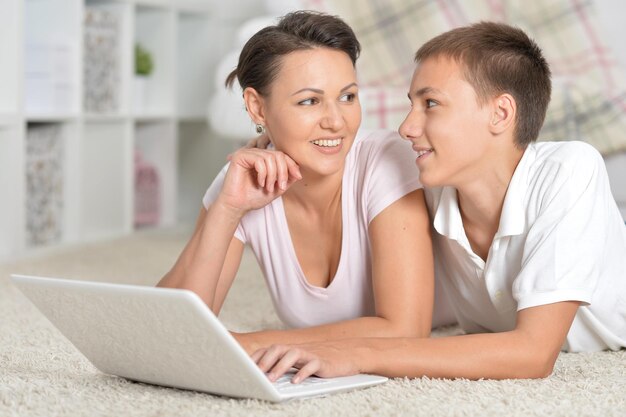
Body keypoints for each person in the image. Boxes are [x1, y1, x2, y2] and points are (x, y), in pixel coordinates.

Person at [251, 21, 626, 383]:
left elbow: (533, 353)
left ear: (501, 113)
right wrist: (270, 146)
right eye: (411, 104)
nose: (406, 127)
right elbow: (343, 154)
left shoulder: (569, 170)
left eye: (430, 103)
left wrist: (359, 354)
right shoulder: (426, 182)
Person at [157, 11, 453, 354]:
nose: (336, 121)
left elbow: (405, 329)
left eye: (348, 96)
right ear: (256, 108)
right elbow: (168, 327)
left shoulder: (385, 160)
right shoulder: (243, 181)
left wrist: (244, 344)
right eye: (309, 101)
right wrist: (227, 210)